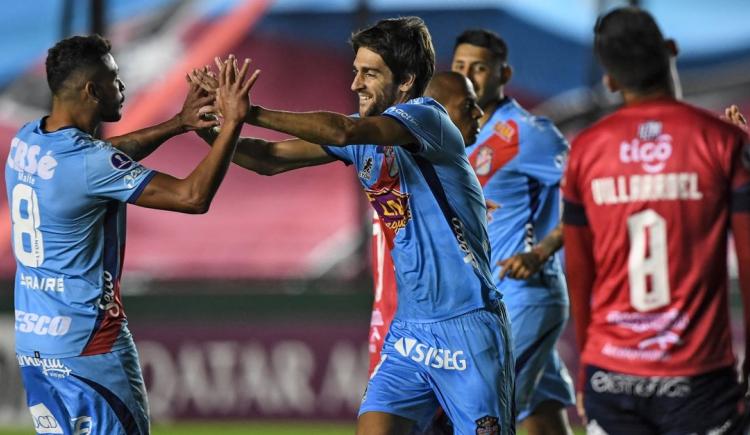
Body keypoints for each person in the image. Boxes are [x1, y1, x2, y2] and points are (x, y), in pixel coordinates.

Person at [191, 17, 515, 435]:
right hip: (410, 332)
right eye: (355, 71)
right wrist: (210, 128)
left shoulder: (429, 118)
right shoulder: (363, 136)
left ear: (405, 81)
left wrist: (251, 111)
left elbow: (343, 130)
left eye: (370, 73)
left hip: (468, 327)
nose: (355, 84)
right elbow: (267, 160)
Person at [9, 34, 257, 435]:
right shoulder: (90, 163)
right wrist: (233, 123)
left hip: (36, 348)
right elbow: (192, 197)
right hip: (90, 346)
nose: (121, 86)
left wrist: (177, 124)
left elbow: (99, 163)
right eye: (114, 77)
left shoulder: (27, 141)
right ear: (92, 90)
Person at [562, 7, 750, 434]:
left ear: (609, 80)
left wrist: (588, 366)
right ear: (671, 50)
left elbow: (579, 271)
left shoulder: (585, 150)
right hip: (700, 378)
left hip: (611, 374)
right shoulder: (722, 140)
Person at [451, 29, 575, 435]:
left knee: (484, 413)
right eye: (460, 67)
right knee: (542, 412)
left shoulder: (527, 133)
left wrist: (540, 252)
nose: (469, 77)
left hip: (523, 294)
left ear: (505, 73)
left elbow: (588, 193)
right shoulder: (454, 134)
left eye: (480, 68)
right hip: (488, 302)